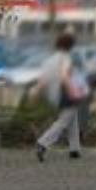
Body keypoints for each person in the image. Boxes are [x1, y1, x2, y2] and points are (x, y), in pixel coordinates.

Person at [33, 33, 90, 161]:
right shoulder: (66, 58)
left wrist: (36, 92)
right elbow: (65, 77)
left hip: (53, 95)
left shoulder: (49, 60)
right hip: (66, 95)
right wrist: (74, 92)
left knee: (72, 119)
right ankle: (42, 143)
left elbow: (42, 79)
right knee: (63, 121)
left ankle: (74, 149)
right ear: (70, 46)